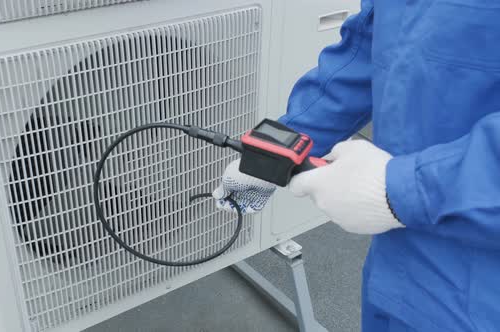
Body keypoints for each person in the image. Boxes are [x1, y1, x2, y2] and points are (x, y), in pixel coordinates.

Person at [212, 1, 500, 331]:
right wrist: (279, 150)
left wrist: (401, 190)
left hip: (482, 293)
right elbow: (370, 47)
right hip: (399, 261)